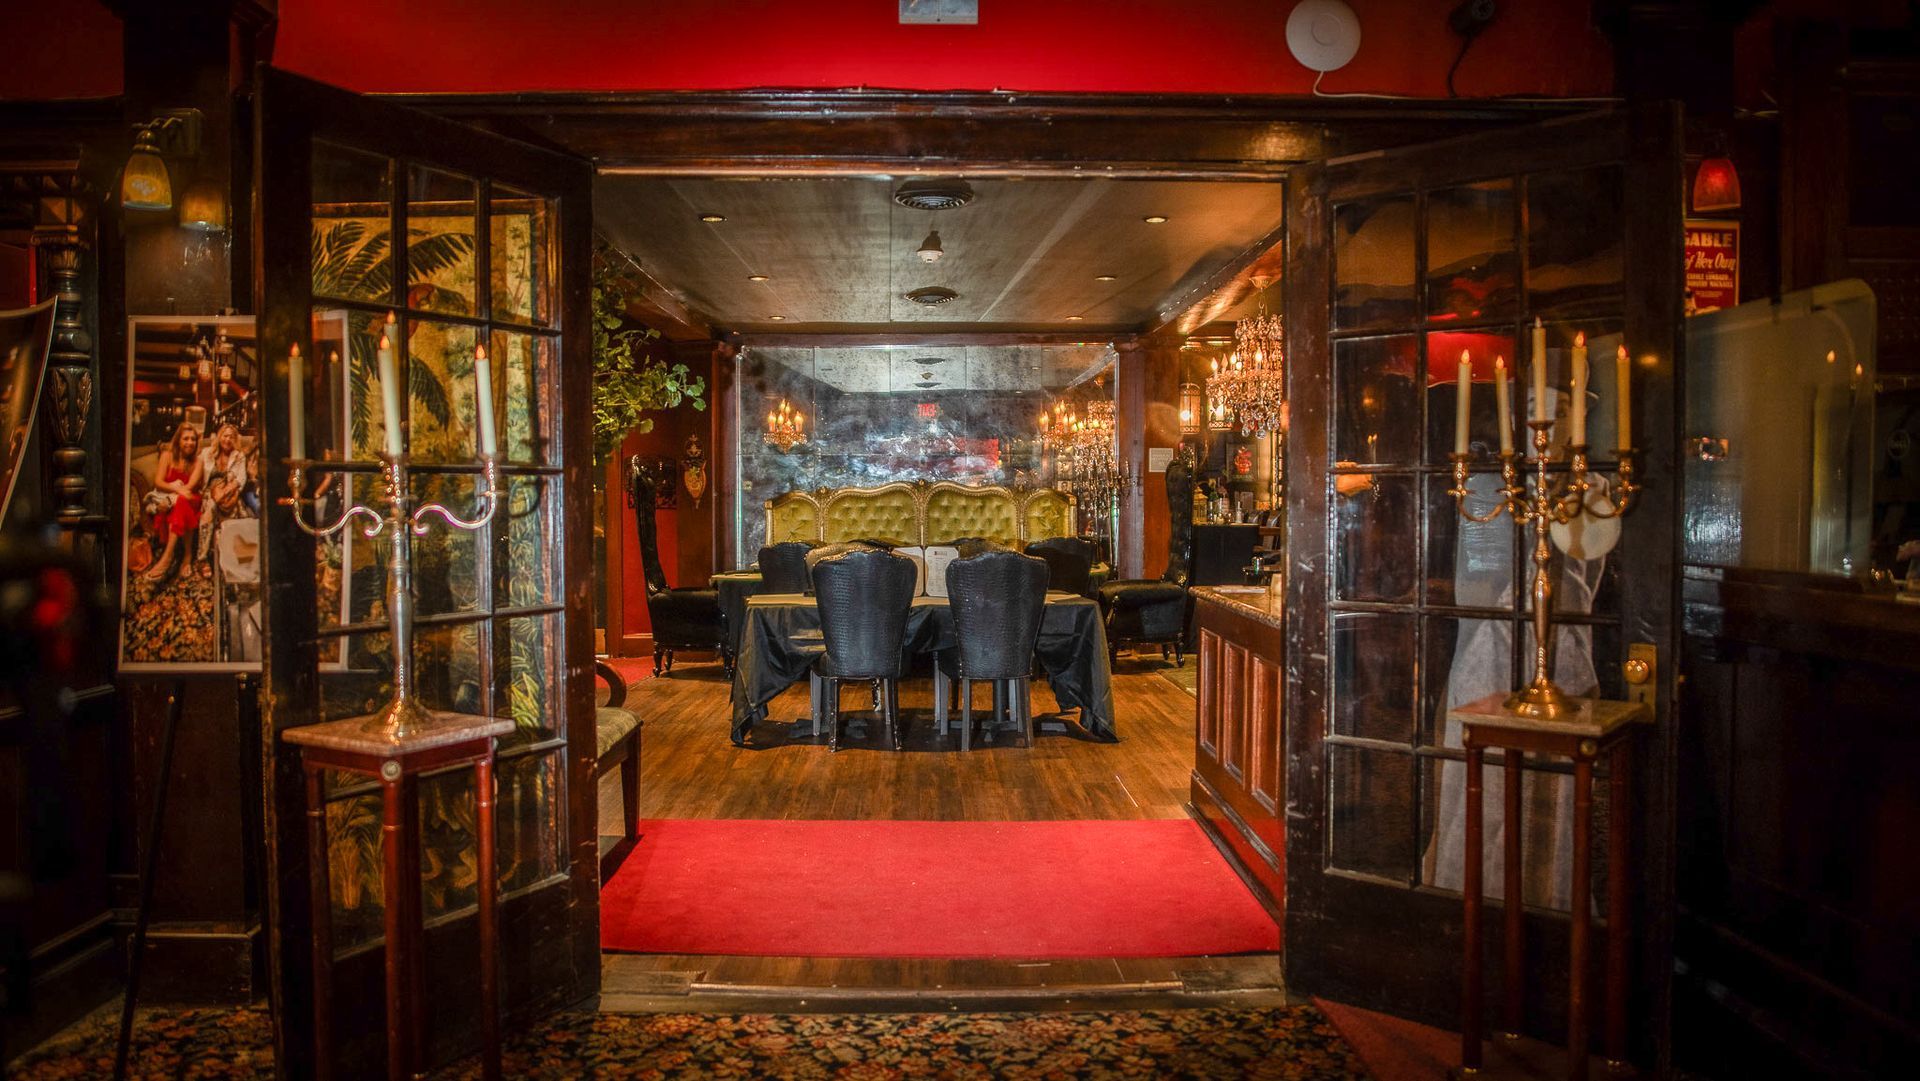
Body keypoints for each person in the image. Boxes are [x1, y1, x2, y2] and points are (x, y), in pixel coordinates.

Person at [142, 422, 204, 582]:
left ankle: (167, 558)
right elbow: (158, 482)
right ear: (178, 441)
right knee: (182, 503)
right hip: (171, 501)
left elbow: (189, 489)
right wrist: (174, 492)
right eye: (186, 439)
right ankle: (187, 556)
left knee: (183, 501)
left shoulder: (198, 462)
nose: (190, 442)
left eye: (193, 439)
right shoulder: (167, 456)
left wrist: (176, 495)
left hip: (192, 500)